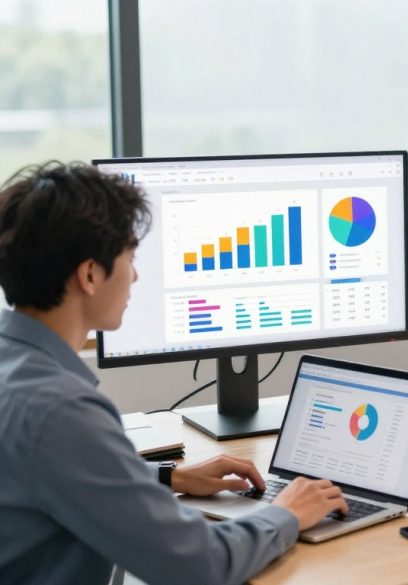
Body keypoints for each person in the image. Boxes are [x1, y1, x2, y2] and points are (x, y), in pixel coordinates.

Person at [0, 162, 349, 585]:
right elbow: (197, 566)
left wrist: (168, 477)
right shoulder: (59, 410)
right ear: (90, 275)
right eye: (130, 258)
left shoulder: (15, 368)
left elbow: (45, 474)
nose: (135, 275)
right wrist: (286, 513)